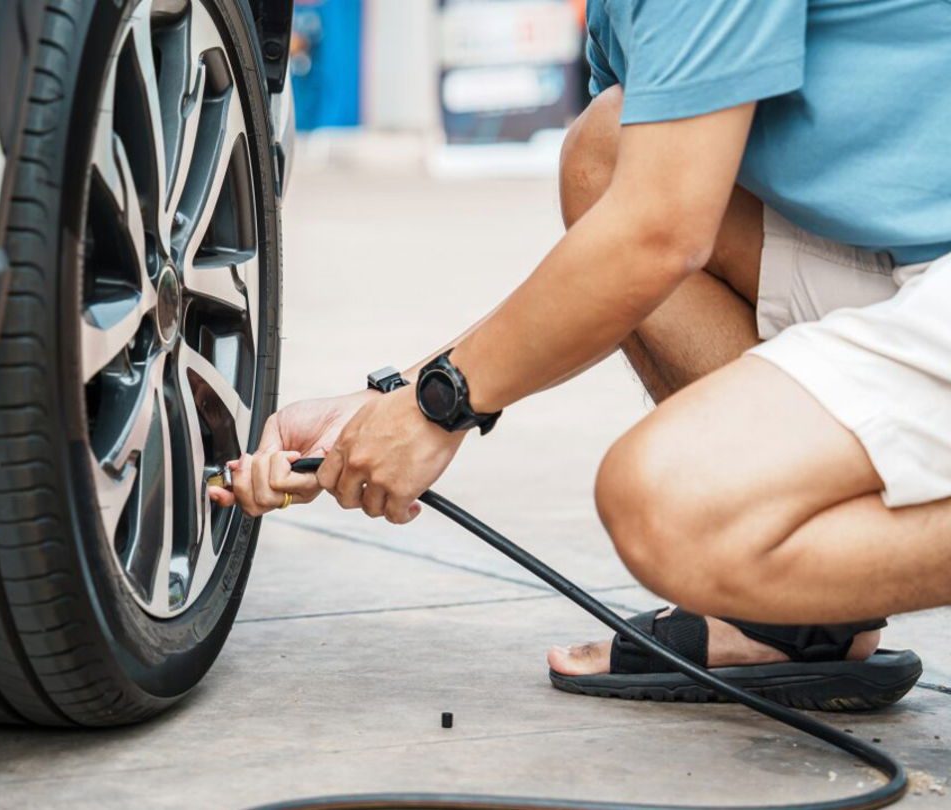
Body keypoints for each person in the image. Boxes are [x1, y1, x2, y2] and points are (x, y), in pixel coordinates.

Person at [210, 0, 951, 709]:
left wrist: (439, 407)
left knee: (670, 505)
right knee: (609, 150)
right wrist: (402, 396)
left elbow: (659, 234)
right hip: (913, 262)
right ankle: (800, 625)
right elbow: (627, 239)